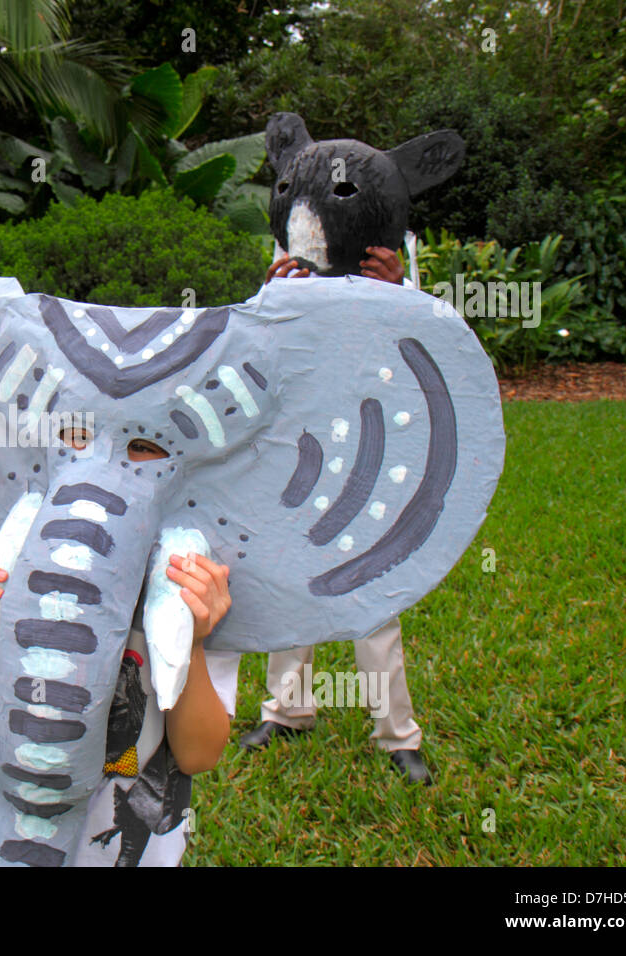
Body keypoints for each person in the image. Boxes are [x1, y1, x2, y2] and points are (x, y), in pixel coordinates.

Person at [0, 429, 240, 866]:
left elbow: (199, 754)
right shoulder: (23, 556)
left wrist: (192, 644)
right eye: (79, 436)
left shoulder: (198, 588)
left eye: (143, 445)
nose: (104, 468)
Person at [239, 246, 433, 786]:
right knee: (289, 584)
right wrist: (271, 291)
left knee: (372, 595)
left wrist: (400, 288)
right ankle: (287, 712)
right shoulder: (296, 230)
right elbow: (258, 341)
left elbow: (422, 338)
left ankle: (398, 736)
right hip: (300, 443)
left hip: (373, 440)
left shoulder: (385, 234)